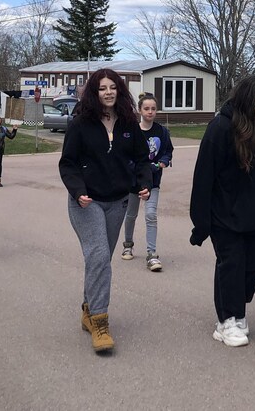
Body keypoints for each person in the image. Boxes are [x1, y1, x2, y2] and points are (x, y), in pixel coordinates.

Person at [58, 69, 152, 353]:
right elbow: (68, 163)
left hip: (117, 202)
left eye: (113, 87)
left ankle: (88, 309)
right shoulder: (80, 125)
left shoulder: (128, 123)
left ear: (120, 91)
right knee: (99, 255)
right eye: (102, 88)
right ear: (93, 93)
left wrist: (143, 183)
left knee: (100, 260)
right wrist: (77, 190)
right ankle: (100, 321)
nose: (108, 92)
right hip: (86, 202)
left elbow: (141, 159)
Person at [190, 76, 255, 347]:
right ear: (245, 100)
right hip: (224, 212)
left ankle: (236, 306)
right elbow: (203, 176)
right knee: (231, 264)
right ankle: (228, 319)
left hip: (254, 211)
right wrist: (201, 222)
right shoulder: (220, 127)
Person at [121, 93, 174, 271]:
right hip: (134, 182)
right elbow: (125, 156)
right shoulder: (131, 131)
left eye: (153, 109)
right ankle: (128, 244)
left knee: (151, 215)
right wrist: (135, 168)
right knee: (131, 214)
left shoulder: (162, 132)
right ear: (139, 110)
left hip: (153, 182)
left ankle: (152, 254)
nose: (150, 112)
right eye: (146, 108)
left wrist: (162, 162)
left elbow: (168, 151)